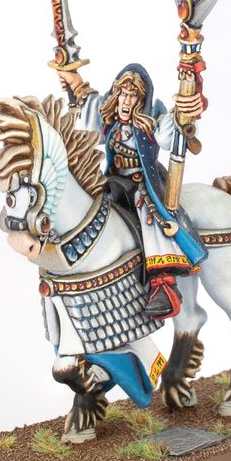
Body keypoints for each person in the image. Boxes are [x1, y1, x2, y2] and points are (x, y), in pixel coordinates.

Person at [57, 63, 207, 318]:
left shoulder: (150, 125)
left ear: (141, 101)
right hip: (113, 182)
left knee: (150, 217)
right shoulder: (111, 122)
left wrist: (184, 112)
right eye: (123, 94)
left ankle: (163, 285)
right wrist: (75, 83)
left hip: (142, 185)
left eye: (133, 96)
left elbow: (169, 134)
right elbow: (89, 113)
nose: (126, 101)